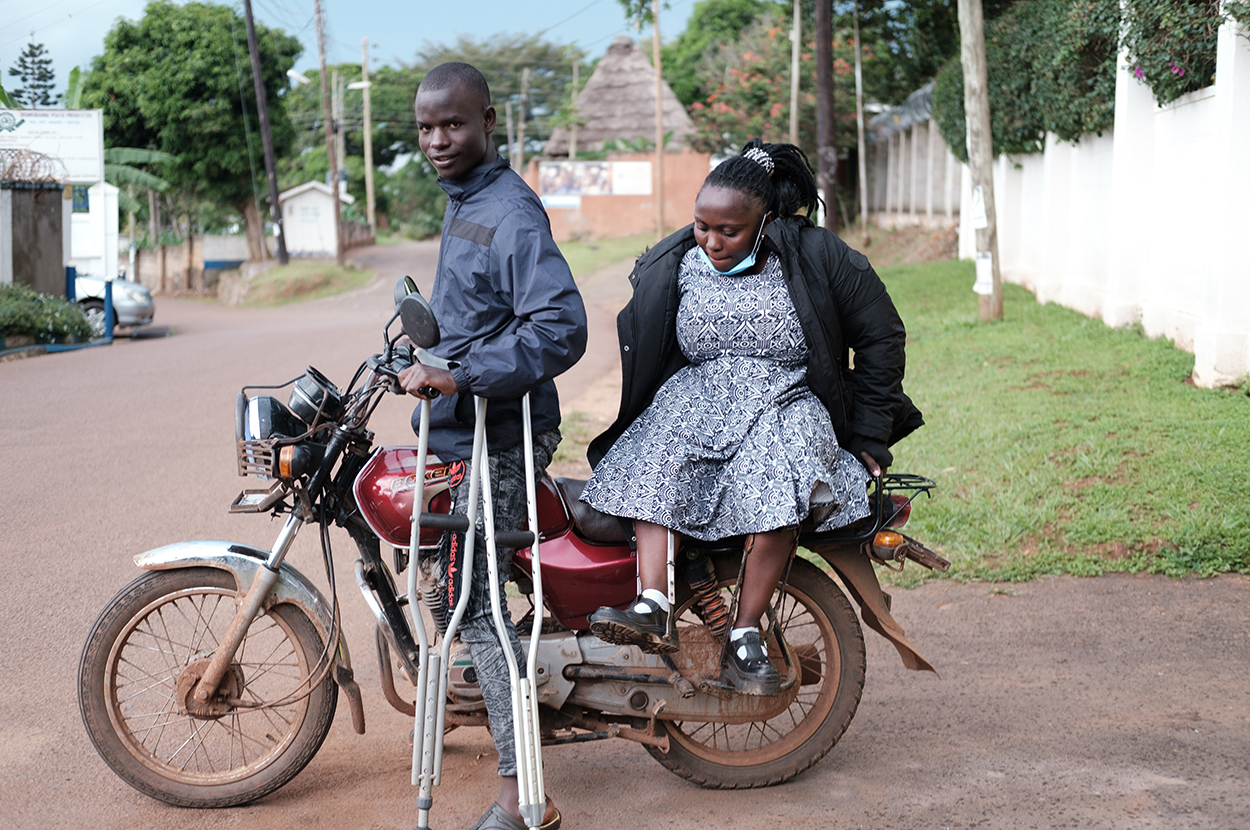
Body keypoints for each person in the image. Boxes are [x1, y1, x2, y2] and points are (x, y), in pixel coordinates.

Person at [582, 139, 921, 696]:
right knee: (653, 462)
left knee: (778, 488)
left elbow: (882, 336)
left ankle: (745, 634)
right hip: (700, 397)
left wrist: (868, 434)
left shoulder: (815, 256)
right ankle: (654, 603)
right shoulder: (679, 263)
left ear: (765, 221)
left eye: (729, 231)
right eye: (701, 227)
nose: (711, 242)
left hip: (784, 398)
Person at [398, 62, 586, 830]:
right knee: (455, 595)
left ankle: (522, 799)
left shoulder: (510, 212)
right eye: (426, 128)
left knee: (477, 605)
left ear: (488, 121)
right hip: (465, 427)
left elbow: (559, 327)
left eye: (453, 125)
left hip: (500, 434)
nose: (438, 140)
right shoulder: (464, 201)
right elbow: (476, 313)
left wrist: (463, 374)